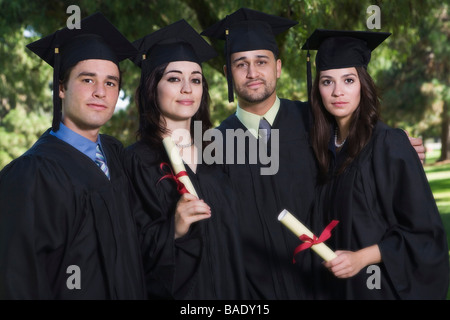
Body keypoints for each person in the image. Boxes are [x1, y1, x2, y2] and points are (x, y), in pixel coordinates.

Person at [201, 7, 427, 300]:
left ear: (278, 67)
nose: (253, 72)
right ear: (227, 73)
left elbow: (364, 148)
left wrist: (398, 153)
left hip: (326, 287)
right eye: (240, 64)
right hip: (253, 294)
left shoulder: (317, 121)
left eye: (261, 61)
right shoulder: (215, 146)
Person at [0, 12, 152, 299]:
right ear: (61, 87)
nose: (100, 92)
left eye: (110, 83)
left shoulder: (115, 155)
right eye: (87, 80)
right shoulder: (32, 176)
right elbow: (17, 282)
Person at [303, 29, 449, 299]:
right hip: (334, 289)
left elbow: (425, 235)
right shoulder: (325, 149)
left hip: (377, 289)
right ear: (318, 90)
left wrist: (362, 258)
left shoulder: (388, 144)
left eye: (348, 80)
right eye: (327, 82)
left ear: (363, 85)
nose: (337, 92)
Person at [123, 19, 249, 299]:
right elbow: (125, 249)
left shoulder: (219, 155)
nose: (187, 89)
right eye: (173, 78)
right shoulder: (136, 161)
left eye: (195, 79)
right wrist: (175, 228)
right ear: (151, 87)